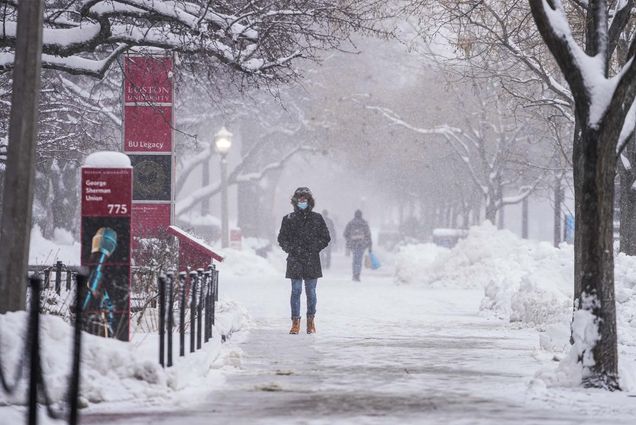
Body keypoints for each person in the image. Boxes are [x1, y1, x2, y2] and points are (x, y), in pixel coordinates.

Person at [277, 187, 331, 334]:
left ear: (309, 201)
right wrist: (291, 249)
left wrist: (314, 248)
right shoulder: (288, 219)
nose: (302, 201)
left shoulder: (317, 218)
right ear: (295, 201)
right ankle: (295, 322)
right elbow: (282, 239)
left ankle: (310, 321)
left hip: (311, 260)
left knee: (311, 292)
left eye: (305, 199)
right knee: (296, 291)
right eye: (300, 199)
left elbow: (326, 238)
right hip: (295, 259)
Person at [343, 210, 372, 282]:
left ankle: (354, 274)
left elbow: (345, 233)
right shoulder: (364, 223)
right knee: (359, 260)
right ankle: (357, 274)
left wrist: (349, 240)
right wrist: (369, 245)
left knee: (355, 259)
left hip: (353, 244)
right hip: (362, 244)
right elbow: (368, 235)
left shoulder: (351, 223)